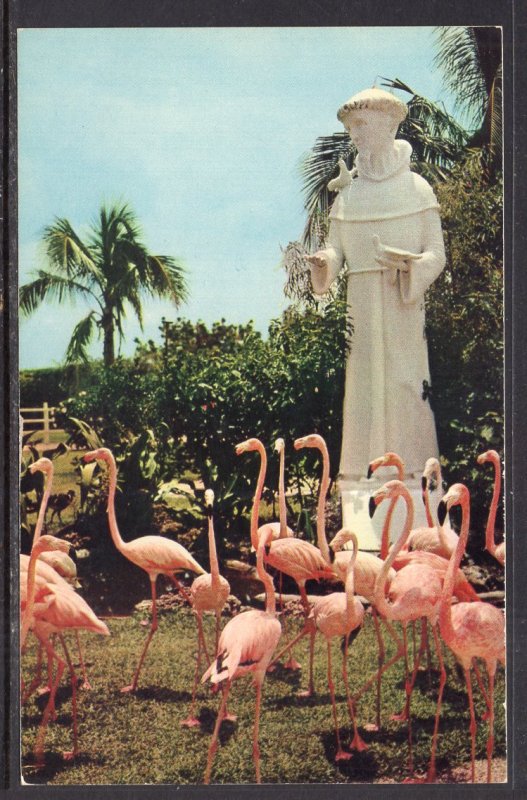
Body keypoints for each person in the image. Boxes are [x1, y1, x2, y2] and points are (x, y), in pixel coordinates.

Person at [307, 87, 446, 483]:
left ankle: (417, 472)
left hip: (403, 305)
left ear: (388, 125)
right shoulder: (348, 198)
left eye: (362, 125)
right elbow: (335, 251)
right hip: (362, 305)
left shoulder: (418, 189)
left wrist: (409, 267)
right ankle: (361, 476)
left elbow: (437, 254)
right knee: (364, 391)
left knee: (407, 387)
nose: (355, 135)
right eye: (351, 128)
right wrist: (324, 262)